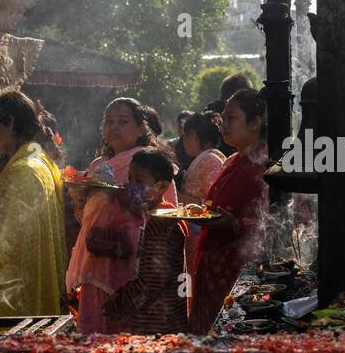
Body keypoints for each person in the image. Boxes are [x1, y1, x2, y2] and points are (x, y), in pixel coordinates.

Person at [66, 99, 177, 334]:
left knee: (123, 330)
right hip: (96, 258)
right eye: (109, 122)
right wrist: (78, 197)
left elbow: (155, 208)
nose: (114, 127)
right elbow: (87, 220)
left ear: (140, 128)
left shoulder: (147, 163)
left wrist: (118, 195)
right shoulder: (99, 165)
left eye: (123, 122)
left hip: (132, 261)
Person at [0, 91, 69, 317]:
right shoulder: (41, 161)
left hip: (20, 293)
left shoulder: (24, 170)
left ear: (11, 124)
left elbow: (6, 242)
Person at [188, 89, 270, 334]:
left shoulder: (263, 162)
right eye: (223, 117)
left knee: (223, 339)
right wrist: (201, 211)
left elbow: (273, 220)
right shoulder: (235, 159)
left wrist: (235, 224)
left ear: (255, 123)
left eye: (231, 117)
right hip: (213, 262)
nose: (224, 124)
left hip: (235, 268)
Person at [104, 150, 188, 334]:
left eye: (139, 181)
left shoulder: (159, 223)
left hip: (157, 323)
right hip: (168, 317)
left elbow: (151, 282)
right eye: (130, 178)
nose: (131, 185)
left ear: (162, 187)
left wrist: (120, 303)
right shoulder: (163, 217)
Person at [180, 111, 227, 271]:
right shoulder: (207, 158)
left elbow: (214, 202)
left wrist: (179, 198)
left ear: (192, 134)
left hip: (201, 236)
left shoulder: (209, 160)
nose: (182, 141)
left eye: (184, 136)